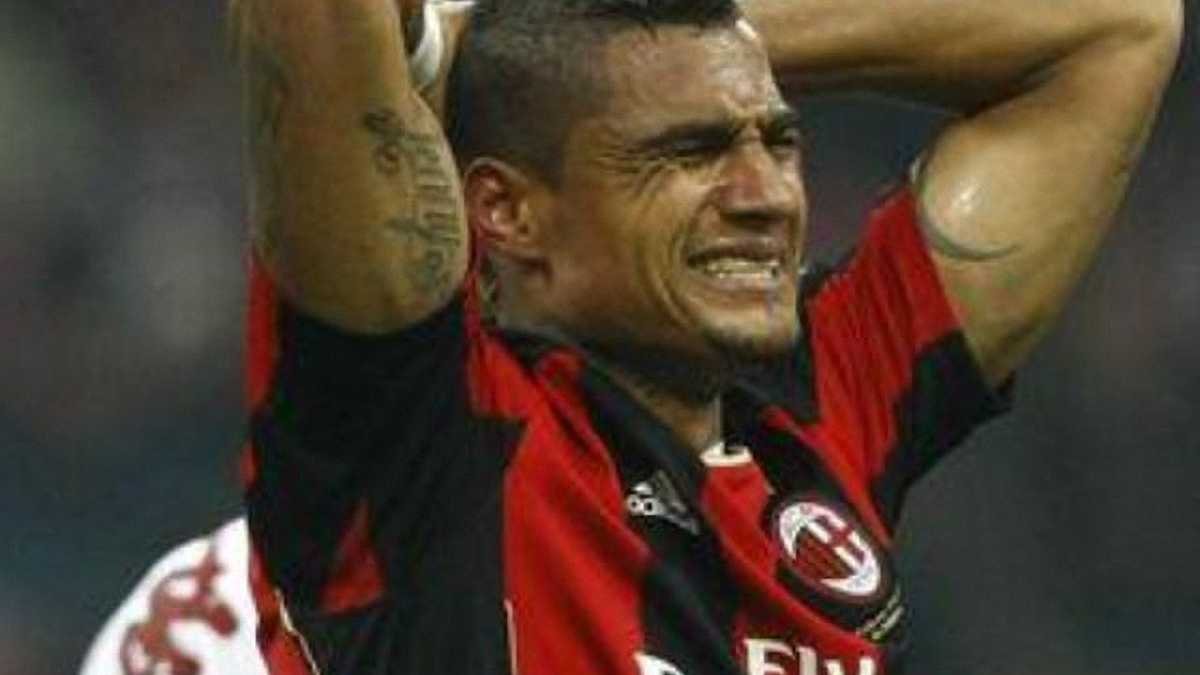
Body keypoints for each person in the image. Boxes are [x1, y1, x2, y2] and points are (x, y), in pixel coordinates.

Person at [227, 0, 1182, 673]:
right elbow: (312, 28)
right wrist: (547, 59)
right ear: (507, 211)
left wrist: (588, 45)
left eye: (778, 141)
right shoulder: (412, 438)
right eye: (686, 153)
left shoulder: (825, 402)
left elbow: (1121, 26)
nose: (766, 198)